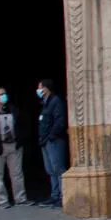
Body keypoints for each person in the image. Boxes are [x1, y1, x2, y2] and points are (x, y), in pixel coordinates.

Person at [36, 79, 67, 208]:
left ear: (46, 88)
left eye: (40, 88)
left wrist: (51, 136)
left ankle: (63, 196)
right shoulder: (45, 103)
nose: (38, 90)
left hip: (54, 140)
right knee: (50, 169)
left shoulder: (56, 101)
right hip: (45, 141)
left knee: (58, 168)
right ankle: (55, 195)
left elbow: (59, 120)